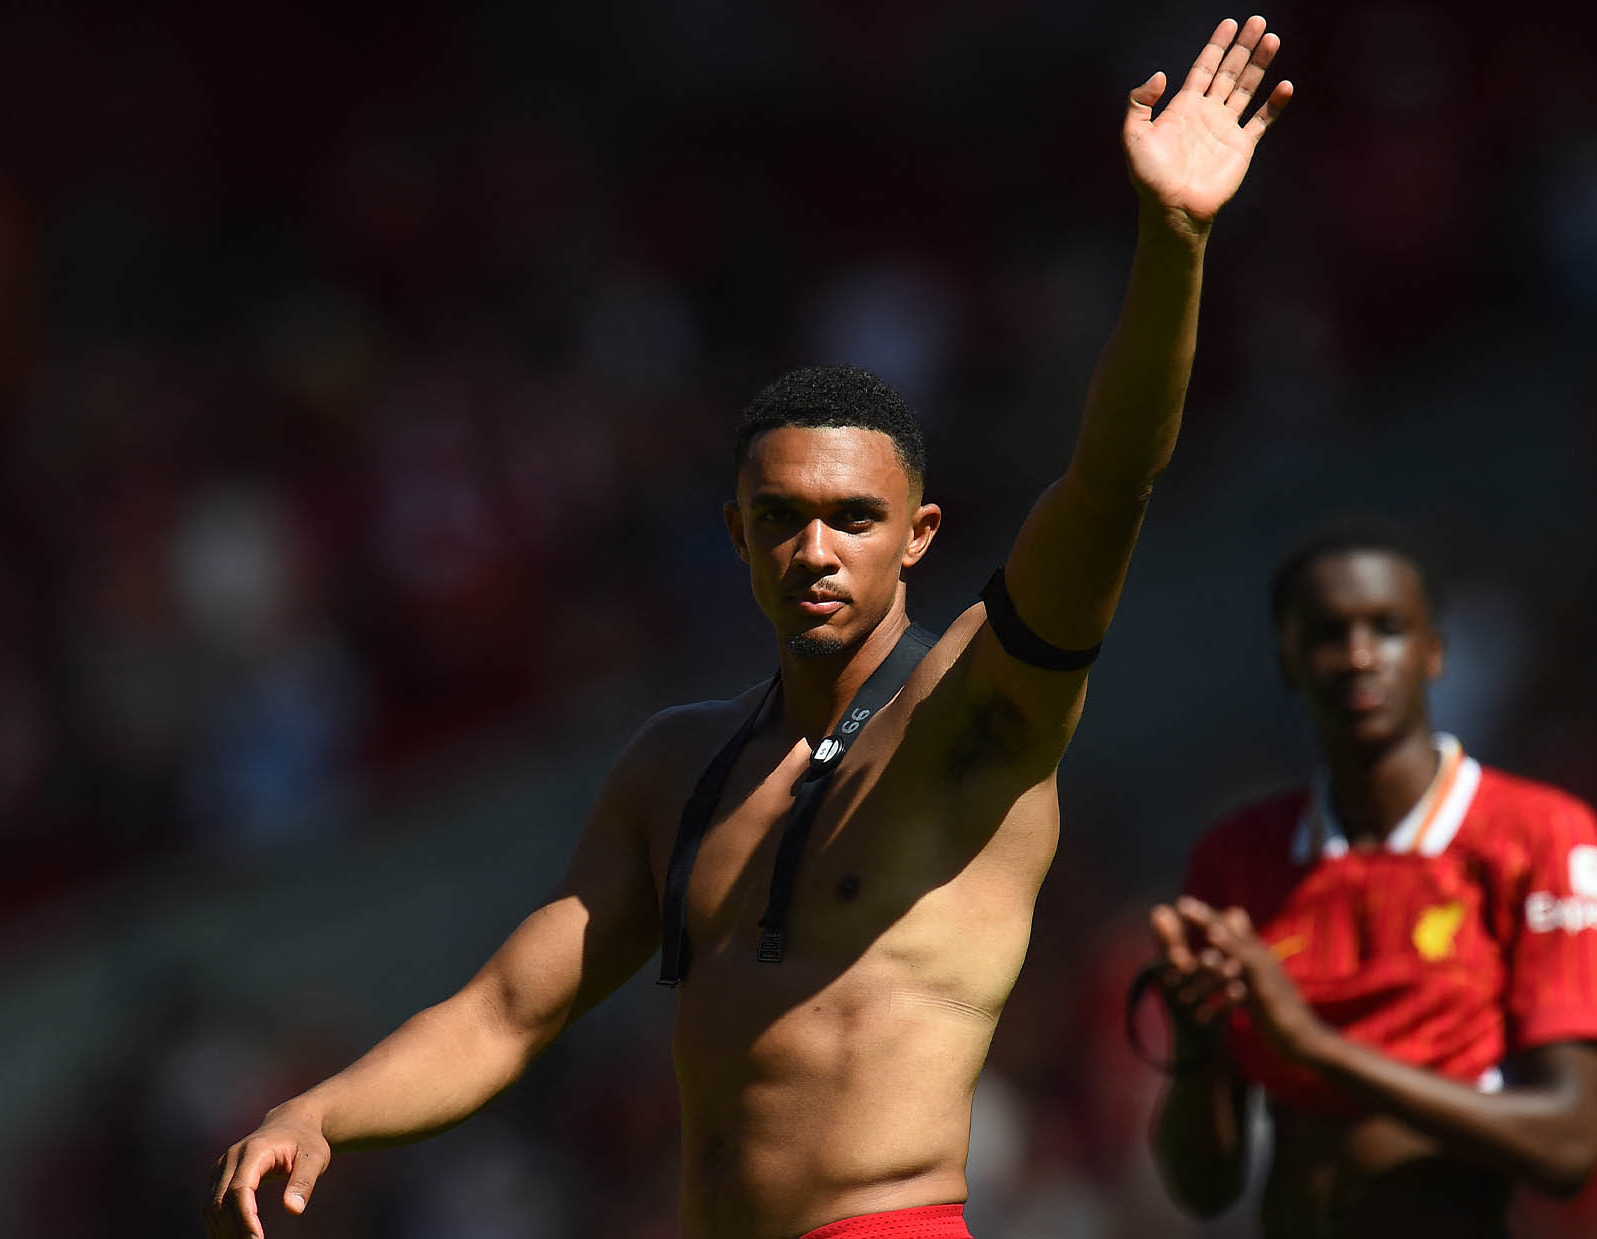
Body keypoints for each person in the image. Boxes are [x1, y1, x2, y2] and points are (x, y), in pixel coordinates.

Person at [206, 18, 1292, 1239]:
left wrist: (1174, 242)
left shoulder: (975, 716)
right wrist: (324, 1111)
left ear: (919, 535)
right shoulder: (673, 771)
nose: (815, 551)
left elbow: (1108, 482)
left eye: (852, 518)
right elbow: (505, 1012)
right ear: (735, 534)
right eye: (781, 518)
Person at [1148, 523, 1597, 1238]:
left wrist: (1315, 1046)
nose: (1360, 656)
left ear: (1436, 650)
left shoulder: (1541, 835)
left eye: (1388, 628)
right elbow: (1206, 1188)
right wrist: (1195, 1046)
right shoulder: (1238, 857)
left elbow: (1571, 1141)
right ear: (1288, 658)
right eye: (1329, 632)